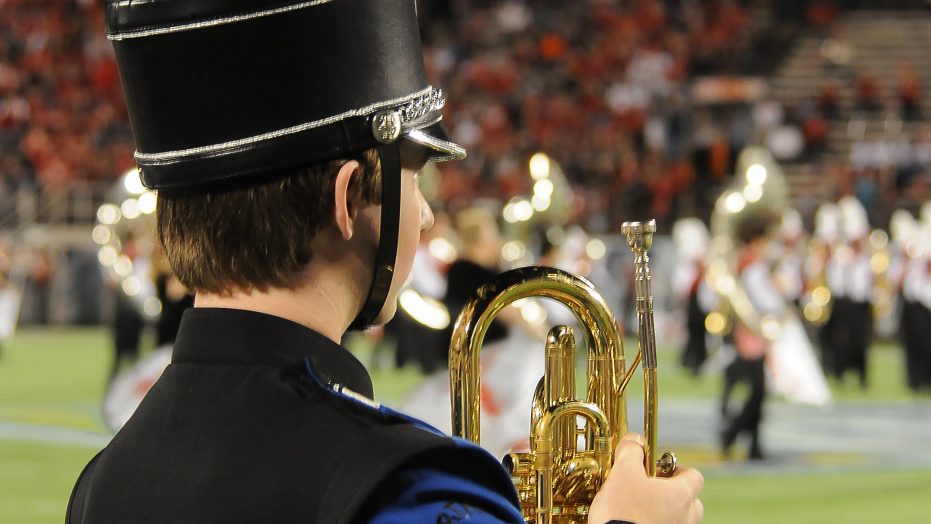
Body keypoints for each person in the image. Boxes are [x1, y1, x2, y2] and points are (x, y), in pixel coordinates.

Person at [67, 1, 703, 523]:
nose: (424, 215)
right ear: (349, 200)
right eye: (413, 179)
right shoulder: (412, 492)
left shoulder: (102, 484)